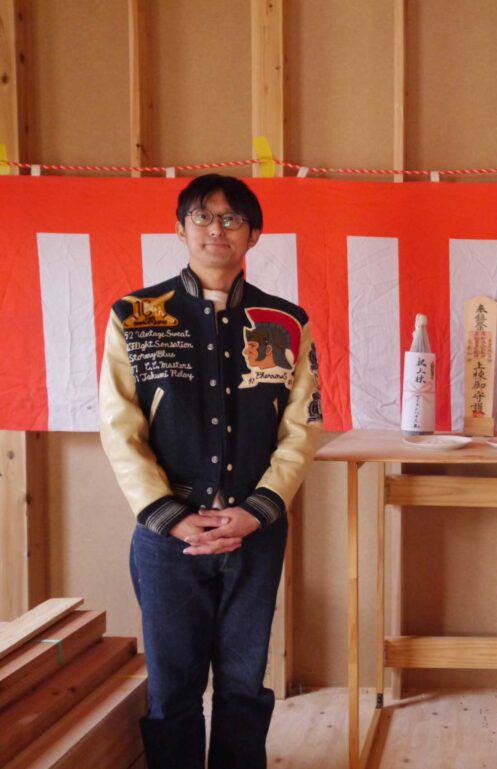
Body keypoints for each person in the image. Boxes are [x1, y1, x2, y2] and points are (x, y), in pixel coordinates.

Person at [99, 174, 322, 769]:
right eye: (202, 216)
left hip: (255, 531)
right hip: (167, 535)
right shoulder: (136, 317)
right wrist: (167, 515)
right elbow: (119, 428)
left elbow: (302, 429)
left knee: (244, 684)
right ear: (180, 229)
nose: (216, 229)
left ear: (254, 233)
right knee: (172, 690)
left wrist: (257, 511)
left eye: (231, 219)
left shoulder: (286, 320)